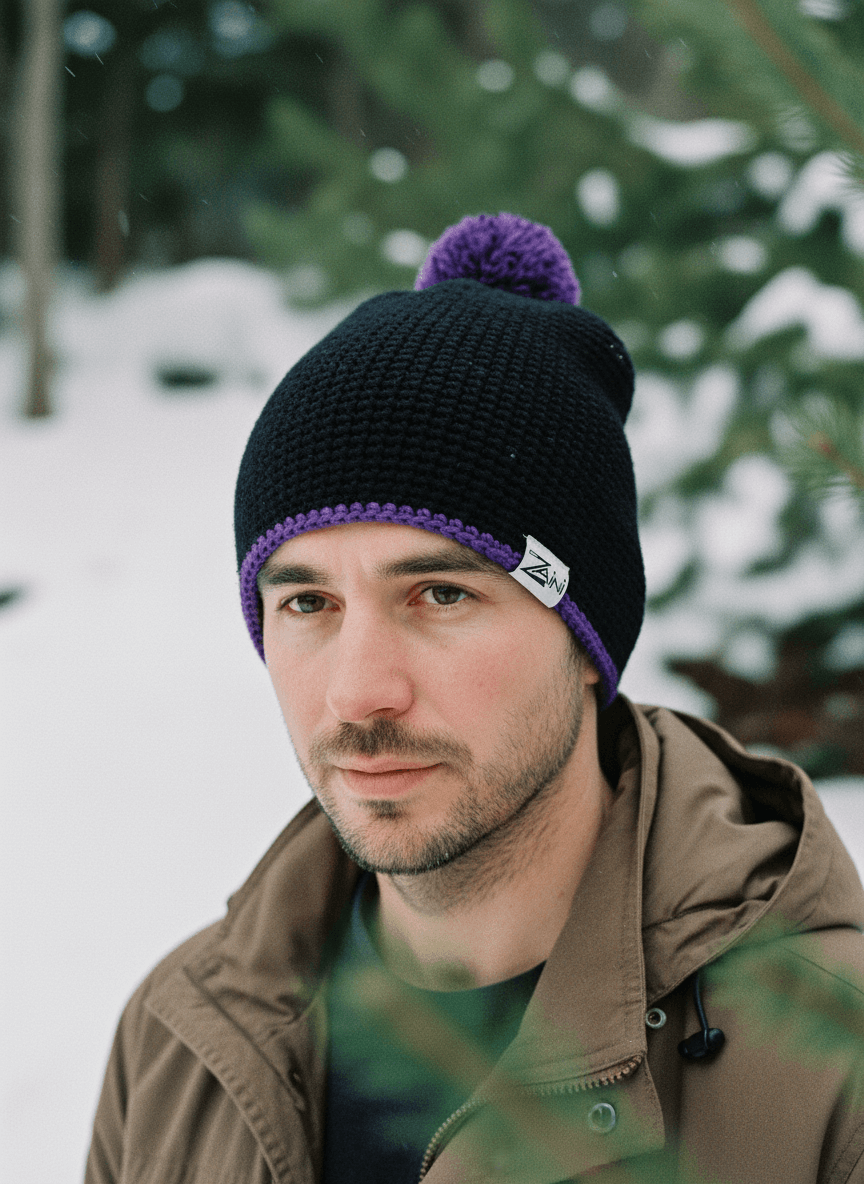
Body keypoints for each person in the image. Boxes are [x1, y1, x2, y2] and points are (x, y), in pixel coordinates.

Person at [85, 214, 864, 1184]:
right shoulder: (178, 1043)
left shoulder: (831, 1066)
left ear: (585, 639)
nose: (360, 692)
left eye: (441, 594)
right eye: (308, 603)